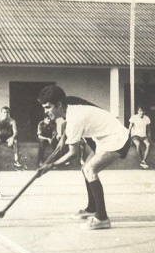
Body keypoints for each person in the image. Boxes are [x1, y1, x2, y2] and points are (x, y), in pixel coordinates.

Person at [37, 85, 131, 230]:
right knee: (85, 169)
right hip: (103, 137)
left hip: (116, 137)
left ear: (59, 104)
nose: (46, 111)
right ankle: (92, 208)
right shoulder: (70, 106)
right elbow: (67, 123)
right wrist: (63, 139)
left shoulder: (75, 119)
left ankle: (102, 218)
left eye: (48, 107)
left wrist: (51, 166)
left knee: (89, 169)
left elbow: (72, 153)